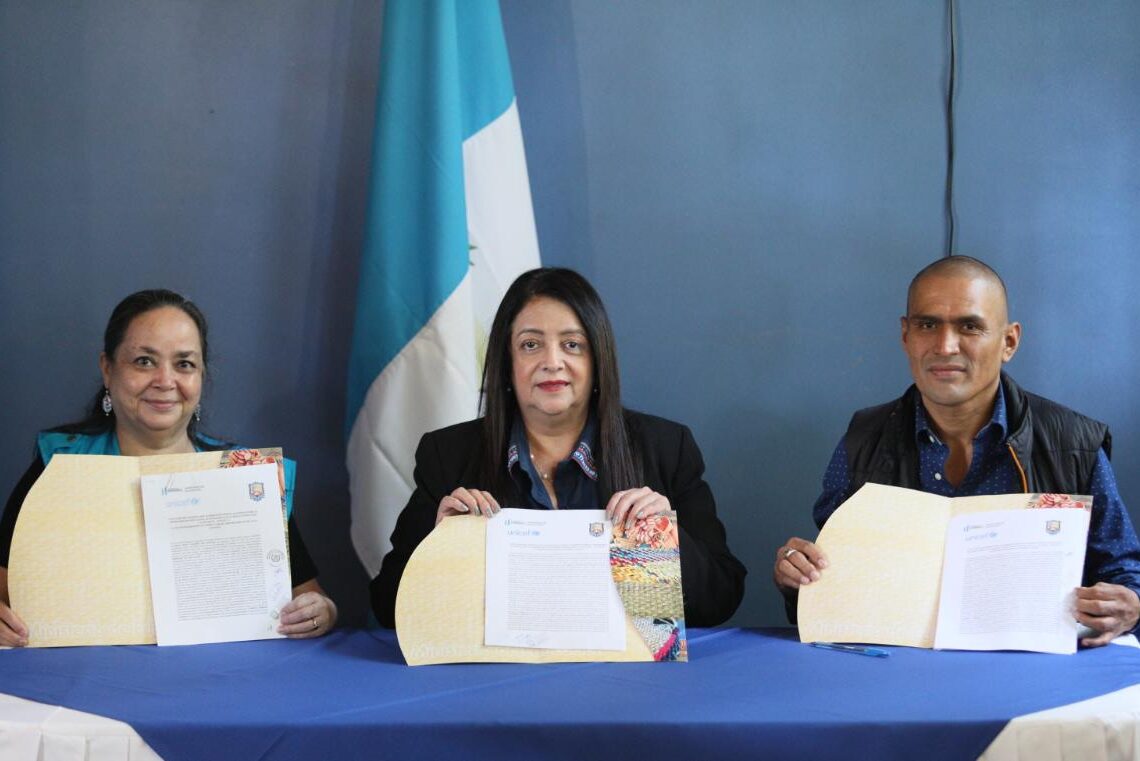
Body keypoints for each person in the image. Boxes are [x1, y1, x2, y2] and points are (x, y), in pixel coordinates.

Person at [774, 255, 1140, 647]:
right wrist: (798, 579)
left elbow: (1123, 574)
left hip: (1029, 671)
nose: (945, 346)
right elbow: (833, 584)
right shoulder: (863, 440)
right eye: (927, 325)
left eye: (969, 326)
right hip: (895, 669)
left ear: (1009, 342)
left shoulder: (1073, 444)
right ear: (905, 335)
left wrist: (1130, 606)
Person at [370, 267, 746, 628]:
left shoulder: (665, 448)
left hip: (628, 668)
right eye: (531, 345)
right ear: (506, 362)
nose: (552, 362)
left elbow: (721, 600)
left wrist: (668, 541)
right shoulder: (448, 454)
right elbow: (387, 607)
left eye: (572, 345)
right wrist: (440, 548)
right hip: (495, 668)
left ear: (597, 360)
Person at [0, 289, 337, 646]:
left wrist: (322, 612)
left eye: (184, 364)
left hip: (221, 671)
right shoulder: (59, 466)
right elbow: (7, 592)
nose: (165, 380)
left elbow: (310, 597)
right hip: (85, 672)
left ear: (201, 376)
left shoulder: (245, 474)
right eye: (144, 361)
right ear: (107, 368)